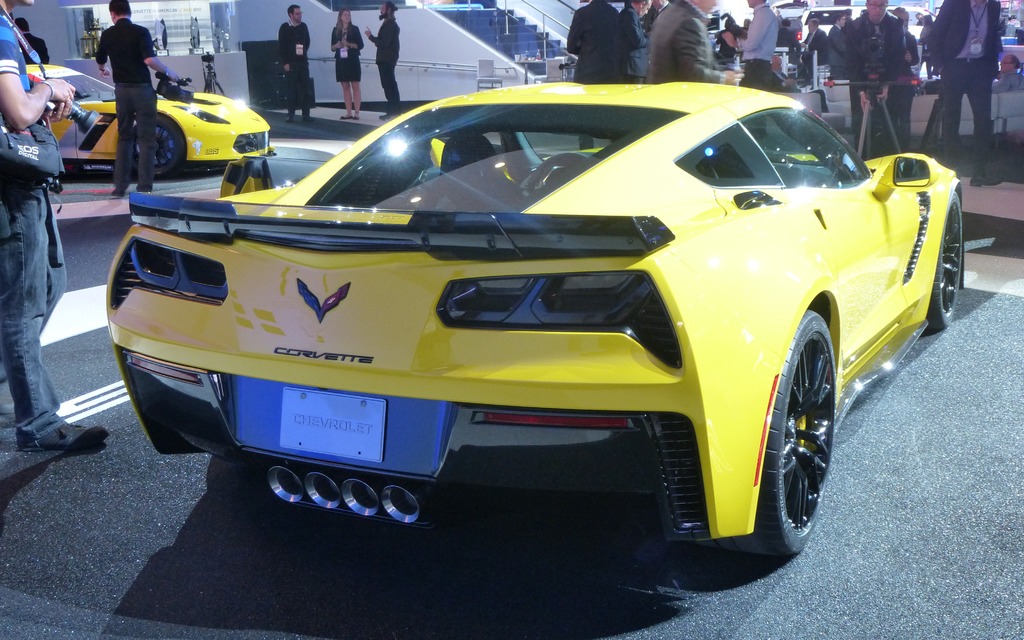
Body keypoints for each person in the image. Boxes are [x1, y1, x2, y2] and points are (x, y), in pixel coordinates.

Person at [1, 0, 110, 451]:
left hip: (22, 179)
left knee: (50, 284)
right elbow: (18, 112)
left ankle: (14, 390)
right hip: (11, 186)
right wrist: (45, 90)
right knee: (23, 304)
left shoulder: (7, 24)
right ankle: (39, 423)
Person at [95, 0, 182, 198]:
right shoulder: (141, 32)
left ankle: (120, 187)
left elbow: (100, 59)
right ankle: (144, 186)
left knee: (124, 137)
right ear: (129, 12)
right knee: (146, 140)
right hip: (142, 91)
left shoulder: (108, 34)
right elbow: (149, 60)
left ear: (112, 14)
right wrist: (169, 72)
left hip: (122, 92)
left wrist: (103, 69)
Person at [930, 0, 1002, 186]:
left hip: (980, 68)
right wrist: (941, 66)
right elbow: (935, 34)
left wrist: (993, 68)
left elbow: (993, 36)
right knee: (952, 118)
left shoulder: (993, 6)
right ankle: (951, 170)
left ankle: (980, 172)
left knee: (983, 120)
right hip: (954, 67)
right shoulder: (954, 4)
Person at [844, 0, 906, 159]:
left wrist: (887, 84)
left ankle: (890, 165)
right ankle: (862, 164)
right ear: (867, 5)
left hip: (889, 81)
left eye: (881, 6)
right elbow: (851, 61)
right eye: (873, 5)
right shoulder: (854, 27)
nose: (877, 10)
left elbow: (898, 59)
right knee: (861, 126)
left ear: (887, 5)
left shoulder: (896, 26)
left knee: (889, 125)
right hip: (860, 80)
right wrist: (860, 91)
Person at [646, 0, 742, 85]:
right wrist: (723, 78)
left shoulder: (669, 14)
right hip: (682, 100)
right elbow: (692, 73)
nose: (715, 3)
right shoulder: (690, 22)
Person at [566, 0, 618, 84]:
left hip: (587, 72)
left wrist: (585, 50)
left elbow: (571, 47)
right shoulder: (614, 13)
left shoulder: (582, 13)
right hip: (610, 71)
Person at [888, 6, 918, 153]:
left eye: (906, 20)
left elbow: (915, 60)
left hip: (904, 82)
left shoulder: (910, 38)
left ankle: (904, 148)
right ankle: (893, 146)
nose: (904, 23)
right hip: (891, 82)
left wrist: (910, 58)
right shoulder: (888, 37)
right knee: (891, 116)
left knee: (904, 117)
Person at [365, 1, 400, 120]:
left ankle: (393, 111)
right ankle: (394, 110)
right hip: (386, 59)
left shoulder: (390, 25)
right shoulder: (389, 24)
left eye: (383, 8)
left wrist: (371, 37)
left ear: (388, 10)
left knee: (389, 85)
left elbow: (384, 43)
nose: (381, 10)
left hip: (387, 59)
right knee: (389, 85)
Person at [278, 4, 312, 123]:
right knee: (291, 89)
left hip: (302, 61)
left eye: (300, 13)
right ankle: (290, 114)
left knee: (305, 88)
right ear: (290, 15)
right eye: (297, 13)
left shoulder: (303, 27)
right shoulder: (285, 27)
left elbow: (307, 42)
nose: (299, 15)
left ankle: (306, 114)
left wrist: (302, 52)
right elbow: (282, 46)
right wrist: (286, 62)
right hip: (291, 62)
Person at [737, 0, 779, 91]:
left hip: (757, 67)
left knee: (752, 99)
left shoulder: (763, 14)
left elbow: (752, 44)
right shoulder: (763, 13)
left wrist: (739, 42)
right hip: (758, 66)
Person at [331, 8, 363, 120]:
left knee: (355, 85)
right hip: (341, 61)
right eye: (345, 15)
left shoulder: (354, 29)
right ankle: (348, 112)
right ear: (340, 16)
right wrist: (337, 45)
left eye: (349, 15)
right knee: (345, 86)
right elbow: (332, 47)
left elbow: (360, 45)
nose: (347, 17)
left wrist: (348, 44)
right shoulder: (336, 30)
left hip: (352, 60)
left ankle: (357, 112)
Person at [617, 0, 650, 83]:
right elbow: (637, 40)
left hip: (634, 68)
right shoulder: (629, 14)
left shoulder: (631, 14)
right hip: (633, 68)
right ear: (642, 4)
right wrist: (651, 40)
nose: (646, 12)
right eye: (647, 9)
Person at [801, 17, 829, 83]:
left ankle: (812, 81)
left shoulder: (821, 34)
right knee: (801, 63)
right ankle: (805, 80)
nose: (808, 27)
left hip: (819, 56)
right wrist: (802, 44)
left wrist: (807, 46)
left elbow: (819, 47)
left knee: (810, 63)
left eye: (810, 25)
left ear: (816, 26)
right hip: (810, 55)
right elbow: (806, 42)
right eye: (808, 25)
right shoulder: (810, 34)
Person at [828, 11, 851, 79]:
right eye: (843, 19)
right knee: (838, 81)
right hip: (837, 61)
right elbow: (839, 46)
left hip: (838, 61)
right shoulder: (835, 31)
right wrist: (850, 51)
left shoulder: (837, 30)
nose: (844, 21)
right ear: (837, 20)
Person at [919, 14, 933, 79]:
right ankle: (930, 80)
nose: (922, 21)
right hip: (930, 51)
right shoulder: (932, 28)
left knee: (919, 66)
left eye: (923, 19)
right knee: (929, 68)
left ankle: (917, 80)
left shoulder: (926, 28)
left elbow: (922, 38)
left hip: (924, 51)